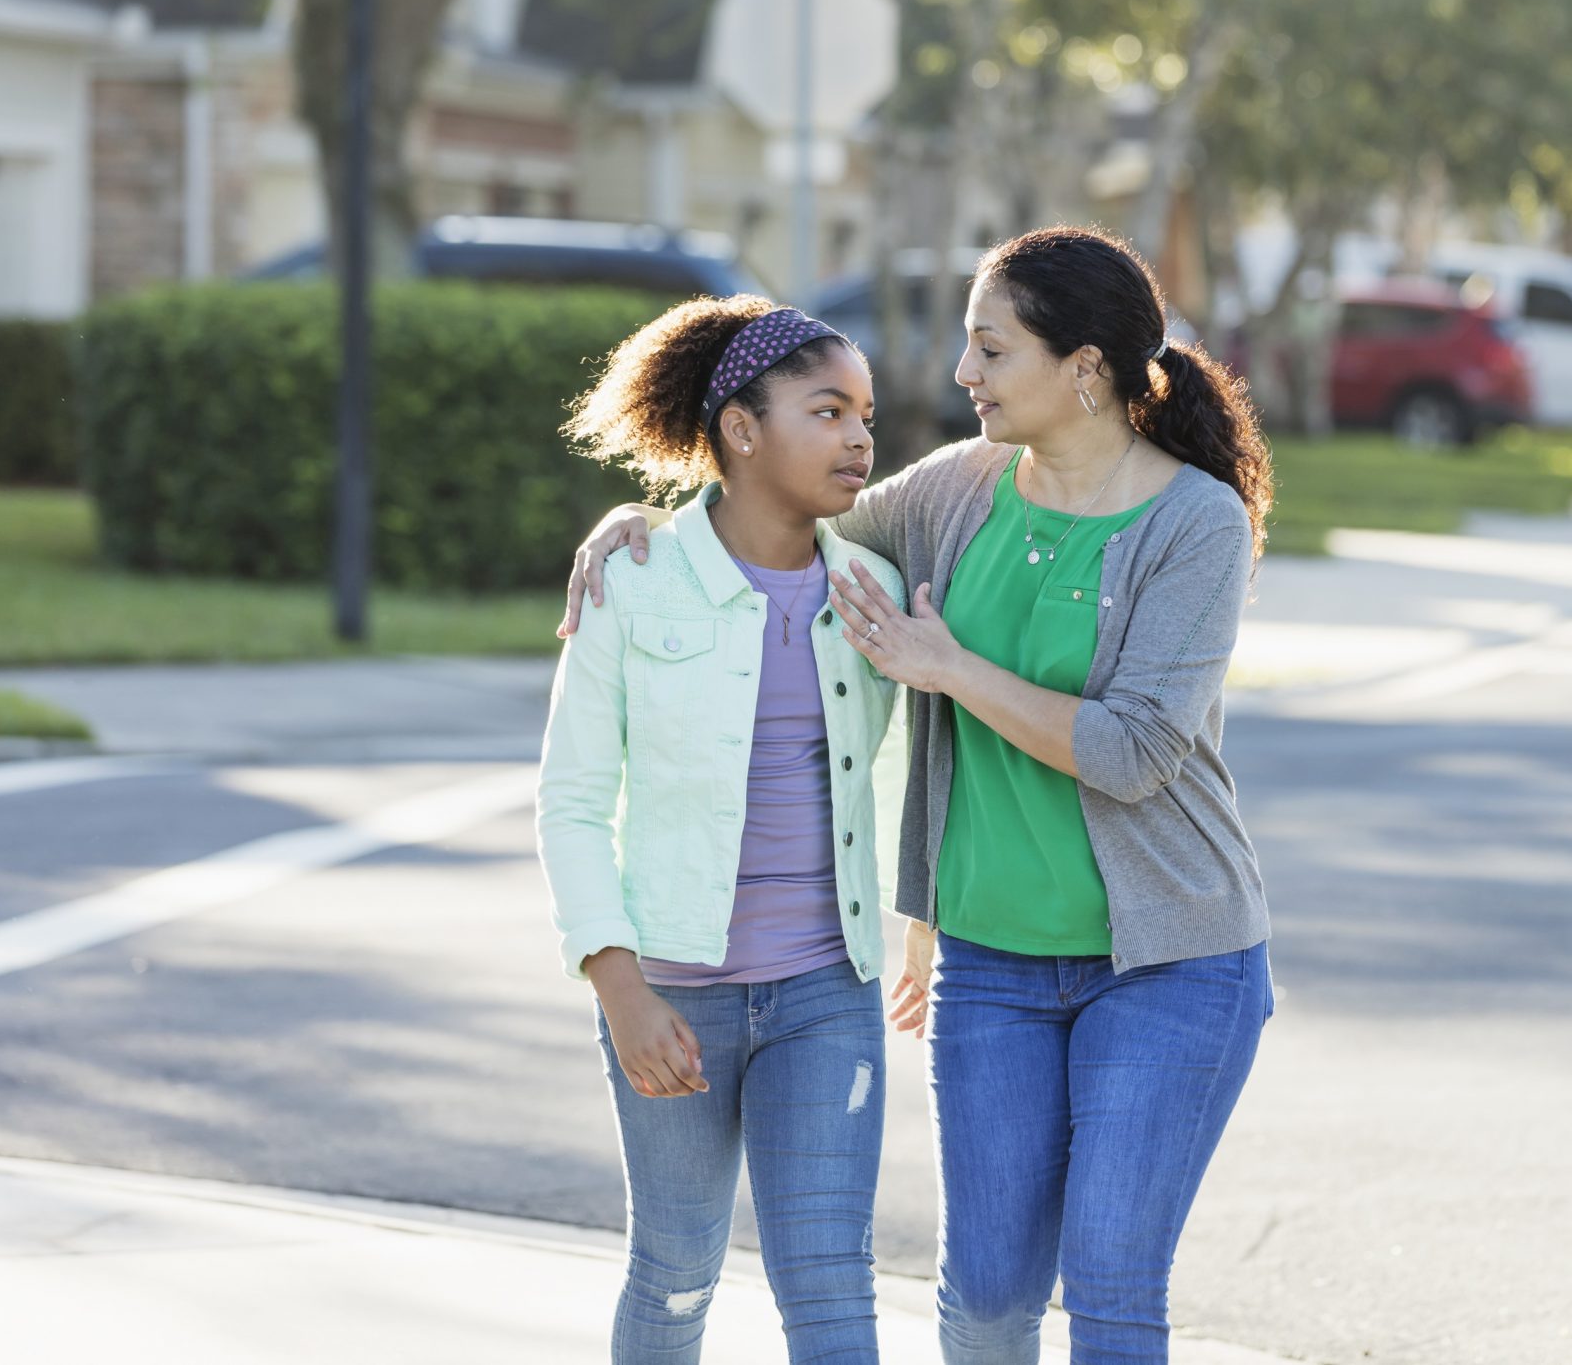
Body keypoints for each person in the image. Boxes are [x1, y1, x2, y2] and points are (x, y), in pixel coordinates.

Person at [561, 227, 1276, 1364]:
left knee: (1108, 1281)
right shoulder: (954, 492)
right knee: (987, 1301)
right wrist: (640, 523)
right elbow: (780, 510)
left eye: (989, 349)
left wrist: (950, 666)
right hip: (991, 962)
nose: (962, 376)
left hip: (1168, 957)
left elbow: (1136, 750)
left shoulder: (1194, 522)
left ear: (1081, 365)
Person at [537, 295, 904, 1363]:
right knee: (676, 1271)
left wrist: (917, 925)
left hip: (825, 991)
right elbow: (568, 797)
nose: (859, 437)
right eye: (827, 410)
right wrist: (619, 987)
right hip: (671, 996)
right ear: (741, 429)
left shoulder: (869, 588)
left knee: (833, 1281)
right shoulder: (635, 580)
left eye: (866, 414)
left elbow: (920, 765)